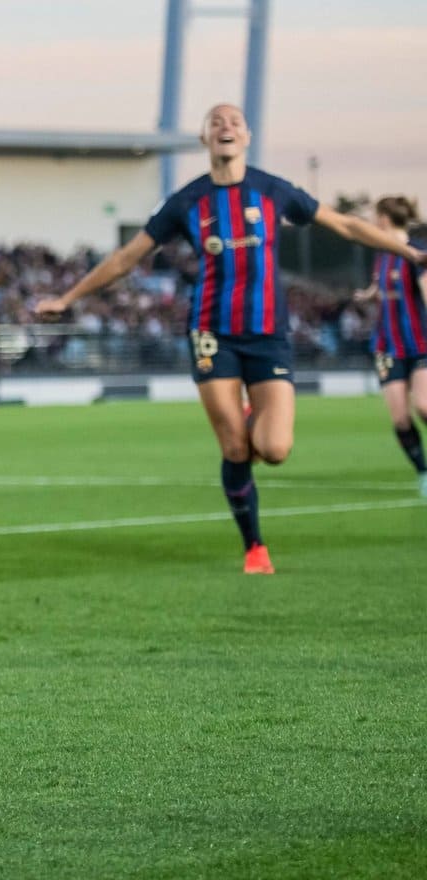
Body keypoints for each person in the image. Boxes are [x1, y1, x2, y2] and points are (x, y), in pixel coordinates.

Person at [36, 103, 427, 573]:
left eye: (234, 121)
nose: (225, 126)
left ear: (247, 137)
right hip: (211, 333)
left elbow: (345, 224)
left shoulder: (272, 191)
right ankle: (255, 548)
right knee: (236, 449)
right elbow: (126, 258)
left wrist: (408, 251)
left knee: (276, 450)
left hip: (268, 337)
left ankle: (247, 415)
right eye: (215, 122)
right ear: (204, 139)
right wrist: (69, 296)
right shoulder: (187, 202)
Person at [351, 196, 427, 495]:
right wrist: (367, 295)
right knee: (400, 417)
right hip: (387, 344)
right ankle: (423, 472)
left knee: (424, 407)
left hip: (420, 341)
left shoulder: (417, 251)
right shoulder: (382, 254)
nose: (372, 220)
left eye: (374, 215)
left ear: (384, 218)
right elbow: (380, 285)